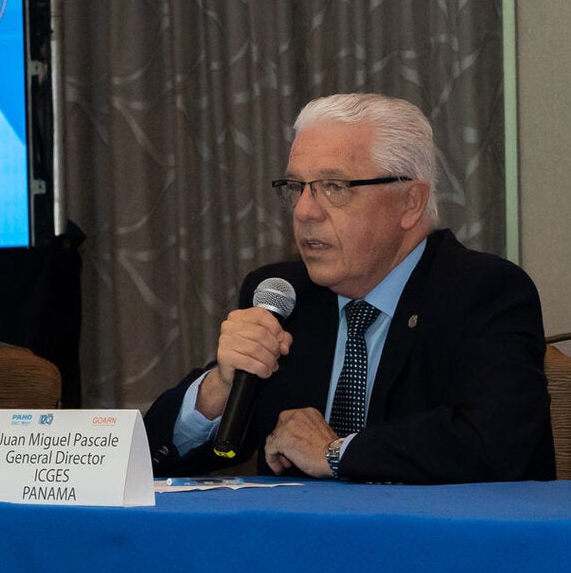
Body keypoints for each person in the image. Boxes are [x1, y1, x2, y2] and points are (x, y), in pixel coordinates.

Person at [145, 93, 554, 483]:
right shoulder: (284, 296)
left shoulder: (483, 291)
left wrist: (336, 453)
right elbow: (154, 459)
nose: (305, 211)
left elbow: (496, 444)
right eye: (296, 188)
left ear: (410, 202)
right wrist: (221, 386)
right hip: (293, 548)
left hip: (433, 548)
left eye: (334, 188)